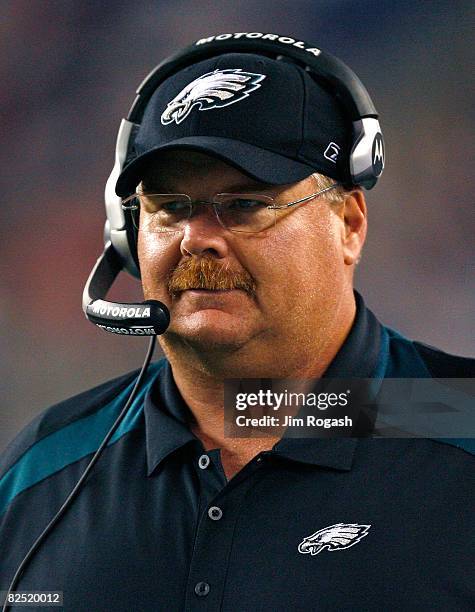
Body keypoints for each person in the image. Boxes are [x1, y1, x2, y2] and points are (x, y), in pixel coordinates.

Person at [1, 35, 473, 612]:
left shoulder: (459, 423)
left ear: (348, 223)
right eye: (170, 207)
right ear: (125, 235)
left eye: (246, 204)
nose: (197, 238)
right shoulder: (41, 470)